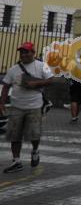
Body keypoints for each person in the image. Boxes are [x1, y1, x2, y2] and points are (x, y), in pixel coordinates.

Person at [0, 41, 55, 173]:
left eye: (26, 52)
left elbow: (51, 80)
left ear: (33, 53)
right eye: (22, 52)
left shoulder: (43, 66)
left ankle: (35, 151)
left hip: (34, 106)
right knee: (14, 135)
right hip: (16, 106)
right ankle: (16, 161)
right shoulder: (13, 69)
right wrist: (1, 103)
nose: (23, 54)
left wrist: (36, 84)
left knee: (34, 135)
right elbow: (6, 86)